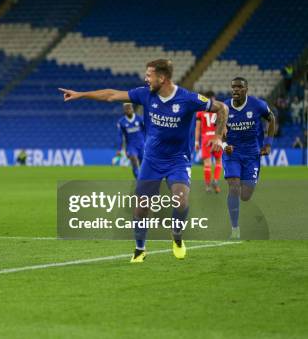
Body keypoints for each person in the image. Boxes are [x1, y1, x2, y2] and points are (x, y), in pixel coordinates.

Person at [59, 59, 228, 263]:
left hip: (178, 160)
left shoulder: (188, 99)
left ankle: (177, 236)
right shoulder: (145, 94)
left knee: (181, 202)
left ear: (162, 78)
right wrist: (81, 94)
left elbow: (222, 109)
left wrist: (218, 136)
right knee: (140, 207)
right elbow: (111, 94)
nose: (146, 79)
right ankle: (140, 249)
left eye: (149, 75)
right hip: (152, 159)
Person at [223, 77, 276, 240]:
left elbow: (271, 118)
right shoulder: (224, 107)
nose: (236, 90)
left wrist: (268, 144)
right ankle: (235, 228)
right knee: (233, 187)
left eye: (239, 87)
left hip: (252, 154)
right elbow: (219, 131)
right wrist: (225, 145)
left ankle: (248, 183)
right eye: (233, 87)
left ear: (246, 90)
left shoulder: (258, 105)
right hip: (232, 154)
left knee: (245, 196)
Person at [195, 91, 223, 193]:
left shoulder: (200, 111)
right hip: (216, 137)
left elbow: (198, 128)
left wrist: (196, 142)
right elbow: (222, 126)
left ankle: (207, 186)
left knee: (207, 164)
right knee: (219, 161)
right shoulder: (219, 110)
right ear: (214, 98)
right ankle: (215, 180)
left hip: (206, 138)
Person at [116, 103, 145, 179]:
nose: (128, 110)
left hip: (142, 145)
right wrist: (119, 149)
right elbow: (119, 136)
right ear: (124, 110)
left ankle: (144, 180)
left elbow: (147, 130)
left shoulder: (140, 119)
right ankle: (138, 179)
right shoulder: (121, 122)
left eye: (129, 108)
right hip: (131, 146)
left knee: (143, 164)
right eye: (126, 109)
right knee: (134, 160)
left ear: (132, 109)